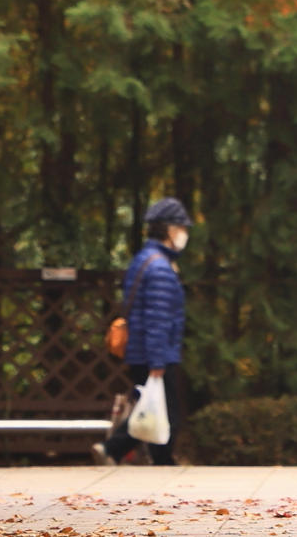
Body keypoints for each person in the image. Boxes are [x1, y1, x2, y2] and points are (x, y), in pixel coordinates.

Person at [103, 199, 192, 465]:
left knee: (155, 410)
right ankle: (111, 449)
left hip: (141, 350)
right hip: (153, 353)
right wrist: (157, 361)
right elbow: (157, 319)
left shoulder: (143, 261)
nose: (184, 234)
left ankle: (162, 463)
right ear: (168, 230)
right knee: (163, 413)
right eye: (181, 228)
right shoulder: (160, 268)